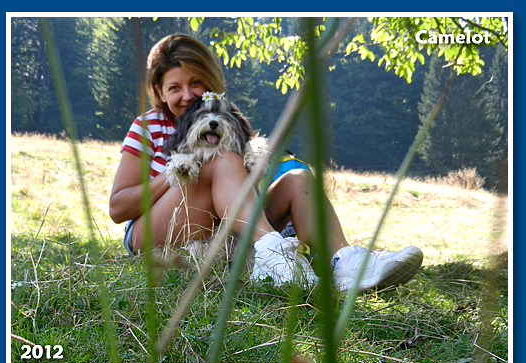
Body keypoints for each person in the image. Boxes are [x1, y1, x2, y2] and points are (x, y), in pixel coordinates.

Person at [108, 34, 423, 291]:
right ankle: (274, 255)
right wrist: (178, 172)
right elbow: (118, 209)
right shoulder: (148, 126)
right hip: (156, 233)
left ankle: (345, 262)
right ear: (160, 92)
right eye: (174, 87)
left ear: (210, 82)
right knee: (219, 160)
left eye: (196, 83)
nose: (187, 95)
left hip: (225, 230)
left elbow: (240, 188)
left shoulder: (223, 119)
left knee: (298, 178)